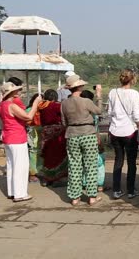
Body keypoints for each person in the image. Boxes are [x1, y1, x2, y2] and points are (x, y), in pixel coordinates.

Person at [61, 74, 103, 206]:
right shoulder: (86, 101)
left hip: (72, 134)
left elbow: (63, 122)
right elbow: (99, 111)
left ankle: (75, 197)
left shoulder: (64, 103)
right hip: (88, 134)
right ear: (79, 86)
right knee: (90, 166)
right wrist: (99, 95)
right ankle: (92, 196)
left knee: (74, 166)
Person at [0, 81, 42, 202]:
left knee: (12, 165)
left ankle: (12, 191)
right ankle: (20, 193)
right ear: (12, 93)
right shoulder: (11, 105)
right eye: (16, 90)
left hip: (8, 137)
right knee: (20, 166)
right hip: (17, 137)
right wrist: (35, 104)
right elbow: (28, 117)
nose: (18, 92)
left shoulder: (2, 105)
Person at [107, 69, 139, 199]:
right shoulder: (134, 93)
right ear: (132, 79)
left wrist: (115, 122)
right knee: (131, 162)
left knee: (118, 160)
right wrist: (138, 125)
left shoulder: (112, 92)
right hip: (129, 132)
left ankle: (116, 190)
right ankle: (131, 190)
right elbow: (136, 115)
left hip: (115, 131)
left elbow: (109, 113)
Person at [38, 89, 68, 186]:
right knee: (58, 155)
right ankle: (57, 178)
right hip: (57, 133)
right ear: (55, 97)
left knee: (47, 155)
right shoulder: (56, 106)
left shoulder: (41, 106)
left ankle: (47, 178)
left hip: (45, 132)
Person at [81, 90, 106, 192]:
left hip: (79, 137)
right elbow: (95, 127)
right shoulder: (92, 113)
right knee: (99, 162)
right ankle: (99, 184)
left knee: (83, 162)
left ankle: (85, 183)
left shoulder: (77, 110)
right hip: (92, 138)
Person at [26, 94, 43, 182]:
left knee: (39, 153)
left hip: (39, 134)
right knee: (33, 153)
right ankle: (32, 174)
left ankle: (38, 171)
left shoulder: (41, 110)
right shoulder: (30, 110)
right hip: (33, 134)